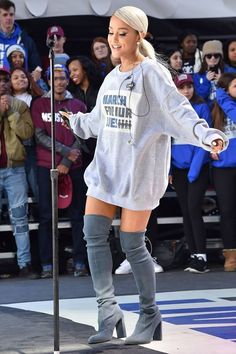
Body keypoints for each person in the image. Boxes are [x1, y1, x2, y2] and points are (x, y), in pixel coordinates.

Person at [60, 5, 227, 345]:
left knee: (132, 244)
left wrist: (208, 135)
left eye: (122, 33)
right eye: (111, 32)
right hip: (107, 169)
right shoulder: (111, 77)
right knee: (93, 234)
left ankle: (150, 315)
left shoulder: (152, 73)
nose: (115, 39)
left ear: (140, 35)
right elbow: (96, 121)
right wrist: (73, 121)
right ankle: (108, 311)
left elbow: (178, 112)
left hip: (137, 174)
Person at [31, 64, 88, 278]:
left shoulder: (78, 105)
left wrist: (66, 160)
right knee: (46, 217)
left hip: (73, 167)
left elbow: (81, 135)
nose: (60, 82)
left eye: (63, 78)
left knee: (77, 216)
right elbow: (39, 135)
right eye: (55, 78)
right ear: (48, 81)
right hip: (46, 166)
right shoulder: (39, 105)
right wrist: (64, 153)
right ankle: (47, 265)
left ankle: (80, 262)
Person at [170, 73, 212, 273]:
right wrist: (169, 169)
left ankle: (202, 257)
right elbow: (167, 141)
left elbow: (204, 141)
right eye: (182, 87)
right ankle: (194, 255)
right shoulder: (171, 110)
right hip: (178, 170)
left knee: (194, 209)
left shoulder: (202, 107)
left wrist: (194, 171)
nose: (186, 91)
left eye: (189, 87)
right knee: (186, 211)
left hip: (197, 168)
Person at [0, 67, 37, 278]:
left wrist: (11, 113)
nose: (3, 83)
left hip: (16, 170)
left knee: (20, 219)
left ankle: (25, 264)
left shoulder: (20, 105)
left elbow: (26, 133)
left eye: (6, 79)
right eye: (1, 80)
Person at [211, 72, 236, 272]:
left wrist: (224, 99)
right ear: (226, 89)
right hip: (223, 169)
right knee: (227, 212)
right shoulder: (215, 110)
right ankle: (231, 256)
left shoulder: (227, 105)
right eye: (235, 86)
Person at [10, 66, 42, 201]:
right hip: (12, 148)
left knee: (35, 182)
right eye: (15, 78)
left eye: (23, 76)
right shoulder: (5, 99)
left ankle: (42, 212)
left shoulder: (38, 98)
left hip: (32, 146)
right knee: (15, 185)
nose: (20, 80)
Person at [0, 0, 41, 72]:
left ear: (14, 16)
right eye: (5, 15)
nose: (9, 18)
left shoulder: (26, 40)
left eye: (11, 14)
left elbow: (37, 66)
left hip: (20, 81)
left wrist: (37, 72)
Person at [193, 40, 224, 107]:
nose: (213, 58)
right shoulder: (197, 76)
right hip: (207, 111)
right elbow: (198, 97)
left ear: (220, 57)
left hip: (223, 110)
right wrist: (206, 81)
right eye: (209, 56)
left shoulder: (227, 73)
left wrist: (222, 81)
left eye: (216, 55)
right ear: (204, 58)